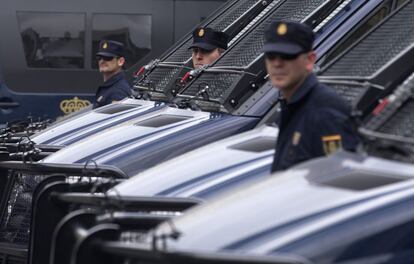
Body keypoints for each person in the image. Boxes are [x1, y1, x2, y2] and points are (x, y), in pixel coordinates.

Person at [264, 21, 360, 172]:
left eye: (287, 56)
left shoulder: (325, 112)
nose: (277, 63)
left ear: (309, 60)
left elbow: (336, 177)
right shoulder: (292, 104)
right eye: (271, 56)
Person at [94, 40, 132, 108]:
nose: (102, 61)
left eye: (107, 58)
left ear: (121, 61)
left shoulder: (118, 92)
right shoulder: (110, 87)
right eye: (99, 58)